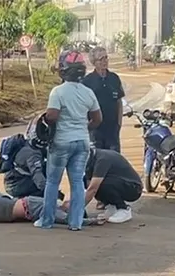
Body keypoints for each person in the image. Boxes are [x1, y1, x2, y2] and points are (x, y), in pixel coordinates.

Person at [35, 51, 102, 232]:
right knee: (77, 182)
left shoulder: (58, 92)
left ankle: (46, 221)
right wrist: (82, 128)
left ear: (63, 70)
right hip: (82, 142)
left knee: (52, 182)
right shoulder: (88, 93)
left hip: (61, 143)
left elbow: (52, 115)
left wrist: (45, 122)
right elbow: (97, 119)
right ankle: (75, 222)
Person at [0, 184, 102, 226]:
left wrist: (91, 222)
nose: (68, 201)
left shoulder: (55, 211)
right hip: (3, 210)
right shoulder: (55, 209)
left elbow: (69, 221)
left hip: (4, 207)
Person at [80, 146, 144, 224]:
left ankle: (123, 209)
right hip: (118, 182)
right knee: (85, 180)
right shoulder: (91, 161)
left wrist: (78, 209)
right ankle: (112, 206)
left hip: (134, 188)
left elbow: (93, 189)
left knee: (101, 184)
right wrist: (71, 202)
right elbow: (86, 185)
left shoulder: (102, 159)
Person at [82, 46, 125, 152]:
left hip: (112, 131)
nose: (104, 61)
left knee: (115, 162)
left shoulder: (114, 78)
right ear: (94, 62)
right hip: (95, 131)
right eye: (101, 59)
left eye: (106, 58)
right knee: (97, 163)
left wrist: (119, 124)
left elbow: (119, 102)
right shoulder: (87, 81)